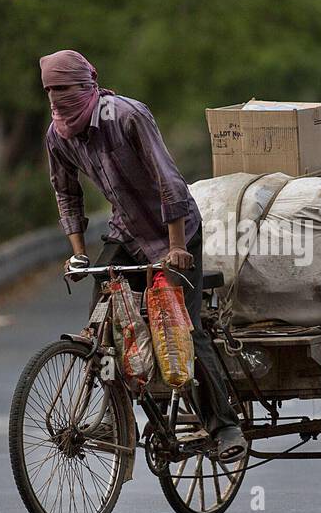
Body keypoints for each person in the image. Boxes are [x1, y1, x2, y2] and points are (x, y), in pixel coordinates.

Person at [40, 49, 248, 463]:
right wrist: (79, 255)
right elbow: (67, 193)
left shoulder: (125, 116)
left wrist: (174, 248)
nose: (55, 97)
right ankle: (113, 417)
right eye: (48, 89)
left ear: (86, 84)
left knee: (182, 328)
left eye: (62, 87)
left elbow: (168, 179)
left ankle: (224, 425)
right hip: (126, 231)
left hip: (176, 230)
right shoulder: (57, 135)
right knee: (105, 330)